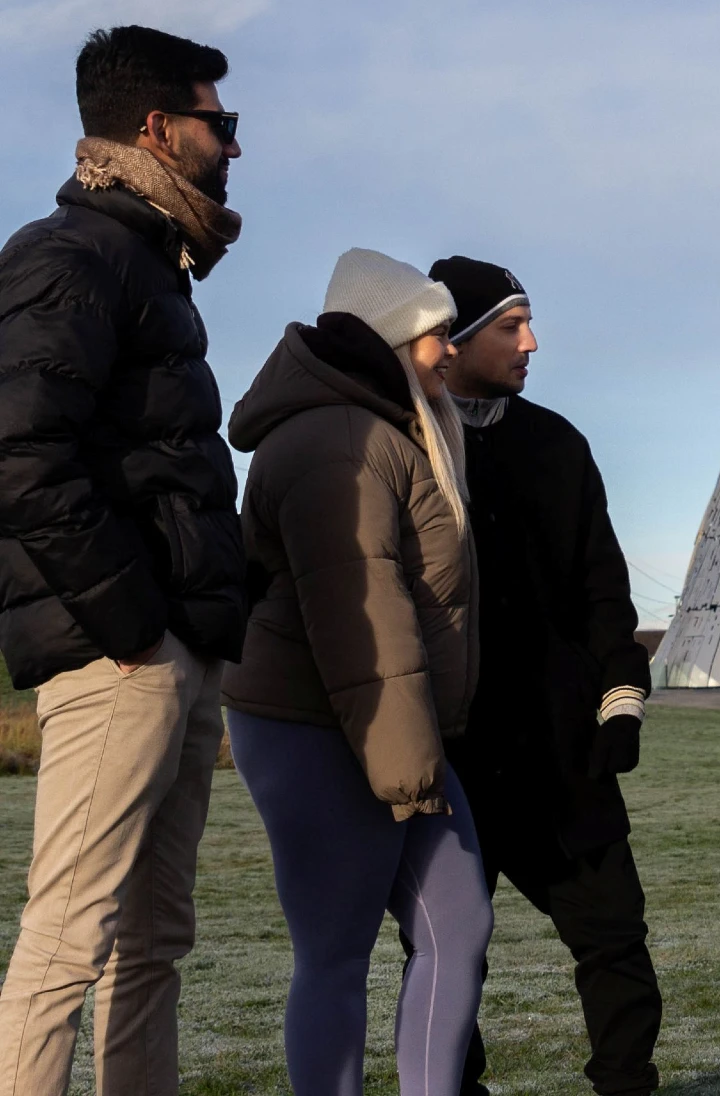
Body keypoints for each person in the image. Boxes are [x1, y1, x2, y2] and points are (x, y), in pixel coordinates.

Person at [0, 26, 248, 1095]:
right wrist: (131, 622)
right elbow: (18, 455)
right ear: (156, 129)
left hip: (171, 645)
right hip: (123, 656)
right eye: (219, 122)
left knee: (153, 944)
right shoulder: (71, 255)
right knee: (68, 938)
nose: (234, 146)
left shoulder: (147, 262)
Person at [222, 249, 491, 1095]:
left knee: (459, 921)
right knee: (336, 952)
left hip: (387, 726)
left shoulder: (392, 432)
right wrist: (409, 769)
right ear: (389, 339)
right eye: (435, 335)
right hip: (317, 727)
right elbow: (357, 618)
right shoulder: (340, 441)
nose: (450, 350)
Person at [425, 255, 663, 1096]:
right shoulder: (400, 443)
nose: (534, 342)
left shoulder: (559, 444)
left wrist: (621, 700)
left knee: (614, 938)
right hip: (445, 758)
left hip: (563, 757)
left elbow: (604, 588)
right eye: (510, 326)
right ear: (448, 342)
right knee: (445, 956)